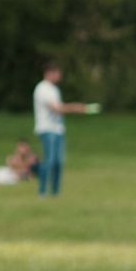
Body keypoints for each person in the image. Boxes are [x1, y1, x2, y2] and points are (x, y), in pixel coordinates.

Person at [32, 61, 87, 197]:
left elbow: (60, 108)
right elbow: (56, 108)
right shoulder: (42, 89)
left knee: (58, 162)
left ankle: (55, 193)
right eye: (57, 73)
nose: (59, 76)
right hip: (47, 129)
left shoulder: (55, 90)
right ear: (49, 73)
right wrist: (76, 108)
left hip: (58, 129)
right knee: (49, 161)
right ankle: (42, 191)